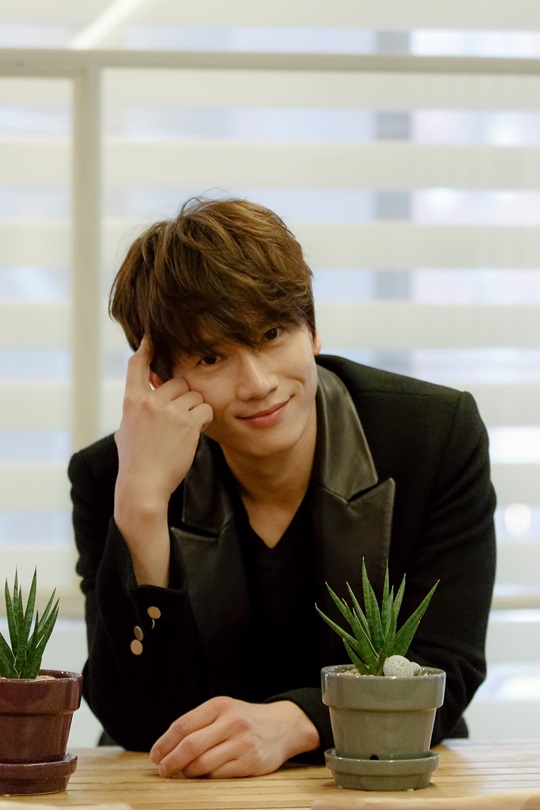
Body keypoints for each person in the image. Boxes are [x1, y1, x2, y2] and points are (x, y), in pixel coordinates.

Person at [69, 196, 496, 780]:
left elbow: (447, 665)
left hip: (386, 782)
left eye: (272, 334)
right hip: (195, 797)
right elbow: (133, 722)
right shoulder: (114, 479)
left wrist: (297, 721)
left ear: (312, 328)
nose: (258, 383)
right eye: (211, 357)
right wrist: (142, 511)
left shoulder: (431, 435)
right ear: (161, 379)